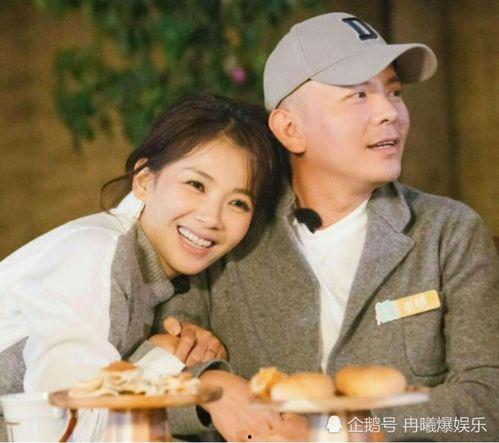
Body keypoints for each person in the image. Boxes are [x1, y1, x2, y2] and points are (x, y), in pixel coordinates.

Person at [153, 12, 499, 442]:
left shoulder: (450, 233)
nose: (390, 112)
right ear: (290, 129)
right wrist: (212, 389)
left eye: (394, 92)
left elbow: (487, 406)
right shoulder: (227, 231)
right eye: (358, 95)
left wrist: (343, 429)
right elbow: (149, 377)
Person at [0, 92, 285, 440]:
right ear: (144, 180)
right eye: (196, 185)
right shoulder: (97, 253)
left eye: (238, 203)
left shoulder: (150, 279)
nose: (212, 218)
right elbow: (65, 429)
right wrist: (164, 361)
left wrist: (166, 356)